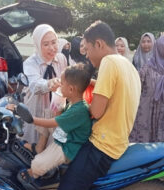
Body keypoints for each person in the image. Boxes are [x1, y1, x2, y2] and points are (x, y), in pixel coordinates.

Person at [58, 21, 141, 190]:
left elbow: (96, 112)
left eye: (87, 49)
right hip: (118, 142)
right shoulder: (128, 66)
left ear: (99, 44)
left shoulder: (109, 62)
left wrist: (74, 108)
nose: (87, 56)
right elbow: (115, 94)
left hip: (101, 146)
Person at [11, 64, 92, 189]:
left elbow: (52, 123)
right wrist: (59, 98)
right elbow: (56, 114)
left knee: (37, 164)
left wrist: (30, 119)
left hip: (67, 147)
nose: (59, 85)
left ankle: (33, 174)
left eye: (62, 83)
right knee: (48, 112)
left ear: (71, 89)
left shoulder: (80, 110)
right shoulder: (73, 102)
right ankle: (39, 147)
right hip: (64, 135)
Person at [22, 24, 67, 155]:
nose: (52, 48)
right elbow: (35, 84)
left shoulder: (61, 58)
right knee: (34, 140)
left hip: (56, 106)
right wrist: (49, 84)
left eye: (54, 42)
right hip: (37, 105)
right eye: (46, 44)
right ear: (37, 45)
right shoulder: (30, 63)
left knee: (53, 142)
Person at [130, 35, 164, 143]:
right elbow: (137, 84)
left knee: (162, 136)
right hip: (147, 106)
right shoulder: (148, 65)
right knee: (144, 136)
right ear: (159, 47)